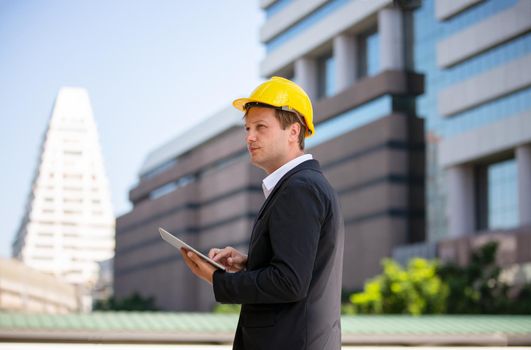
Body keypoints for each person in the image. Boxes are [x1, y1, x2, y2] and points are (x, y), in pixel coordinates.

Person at [180, 76, 344, 350]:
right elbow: (297, 269)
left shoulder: (299, 188)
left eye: (261, 127)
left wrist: (216, 278)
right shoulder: (301, 185)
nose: (250, 137)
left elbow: (289, 282)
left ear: (294, 131)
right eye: (247, 128)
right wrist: (251, 263)